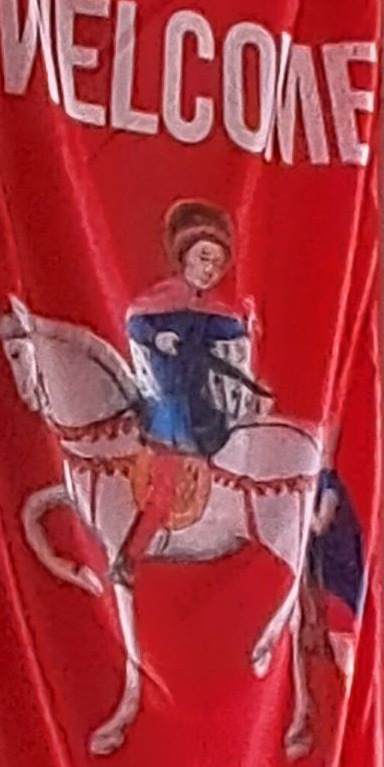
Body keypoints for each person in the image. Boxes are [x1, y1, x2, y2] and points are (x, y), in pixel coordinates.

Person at [116, 202, 258, 582]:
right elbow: (136, 324)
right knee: (166, 480)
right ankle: (129, 557)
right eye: (204, 258)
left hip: (203, 408)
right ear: (185, 258)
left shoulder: (214, 312)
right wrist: (156, 337)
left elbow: (229, 335)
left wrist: (246, 327)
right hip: (169, 406)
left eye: (217, 263)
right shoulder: (157, 303)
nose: (210, 269)